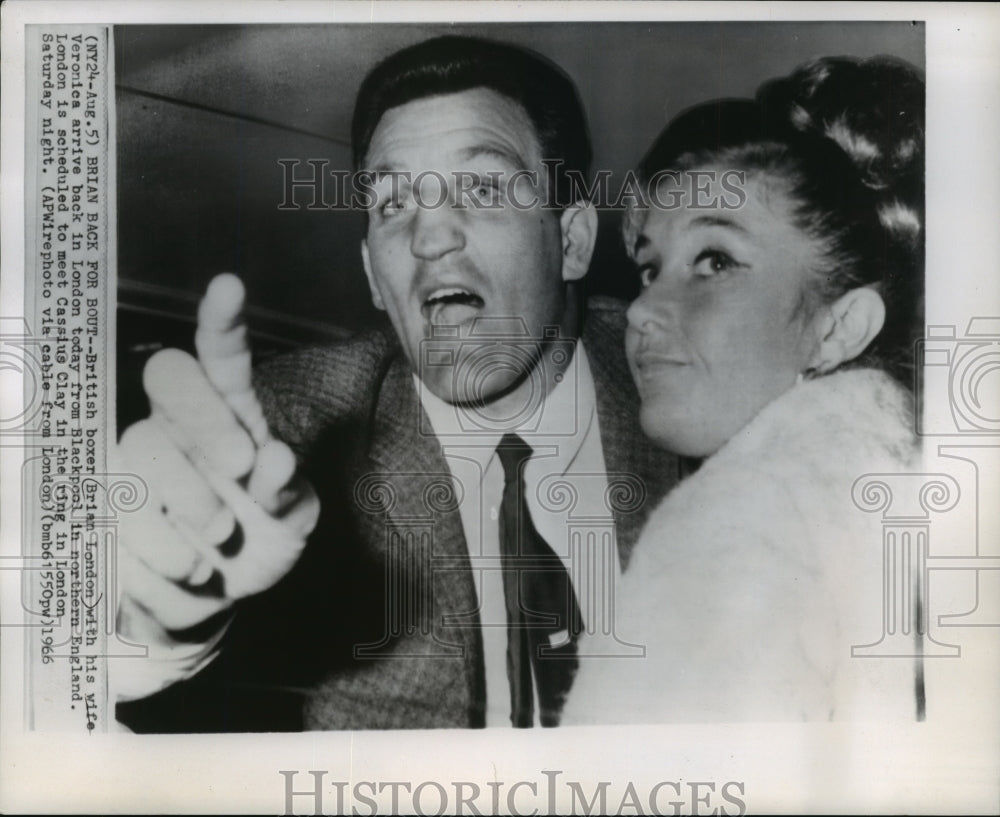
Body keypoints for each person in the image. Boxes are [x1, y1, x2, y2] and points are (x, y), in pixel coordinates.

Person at [114, 35, 678, 731]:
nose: (429, 236)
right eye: (391, 202)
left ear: (572, 241)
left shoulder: (692, 380)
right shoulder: (301, 421)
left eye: (482, 187)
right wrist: (152, 623)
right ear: (374, 276)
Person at [563, 55, 925, 723]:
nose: (641, 311)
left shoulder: (738, 522)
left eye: (715, 261)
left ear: (839, 328)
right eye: (649, 269)